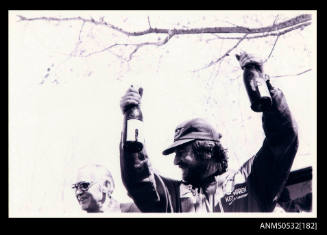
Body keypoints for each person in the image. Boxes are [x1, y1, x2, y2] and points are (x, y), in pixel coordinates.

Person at [119, 52, 299, 212]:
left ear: (206, 149)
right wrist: (131, 118)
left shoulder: (250, 180)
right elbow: (139, 180)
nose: (175, 161)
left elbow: (283, 137)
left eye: (181, 151)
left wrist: (263, 86)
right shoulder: (173, 198)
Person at [72, 164, 139, 213]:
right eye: (76, 187)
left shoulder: (134, 211)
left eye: (84, 185)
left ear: (106, 186)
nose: (78, 192)